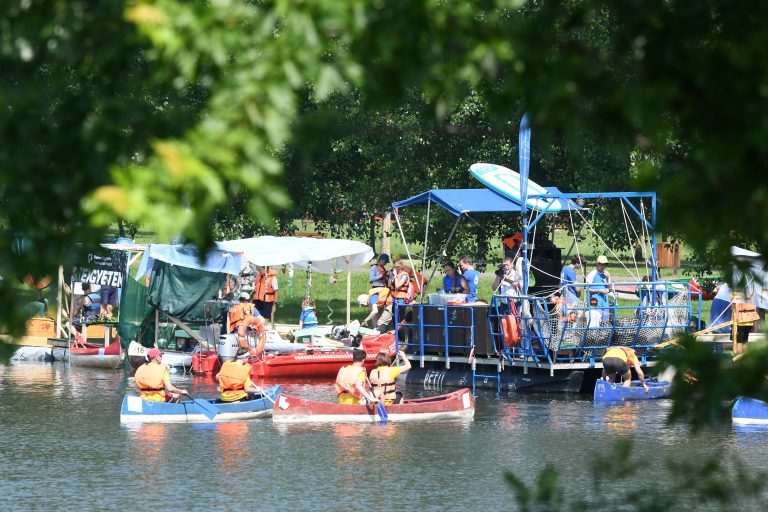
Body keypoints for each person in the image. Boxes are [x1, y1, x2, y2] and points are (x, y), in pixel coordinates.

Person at [228, 292, 266, 357]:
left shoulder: (232, 308)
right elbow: (262, 320)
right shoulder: (251, 307)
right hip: (247, 336)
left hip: (234, 336)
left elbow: (229, 322)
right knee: (260, 342)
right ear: (247, 300)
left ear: (239, 299)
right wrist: (260, 329)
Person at [586, 255, 614, 322]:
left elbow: (610, 289)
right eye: (602, 264)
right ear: (598, 264)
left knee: (605, 320)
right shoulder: (592, 274)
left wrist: (607, 280)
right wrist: (599, 291)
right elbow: (587, 289)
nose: (603, 266)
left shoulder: (607, 274)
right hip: (595, 301)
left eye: (605, 264)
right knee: (596, 320)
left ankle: (604, 331)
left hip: (605, 301)